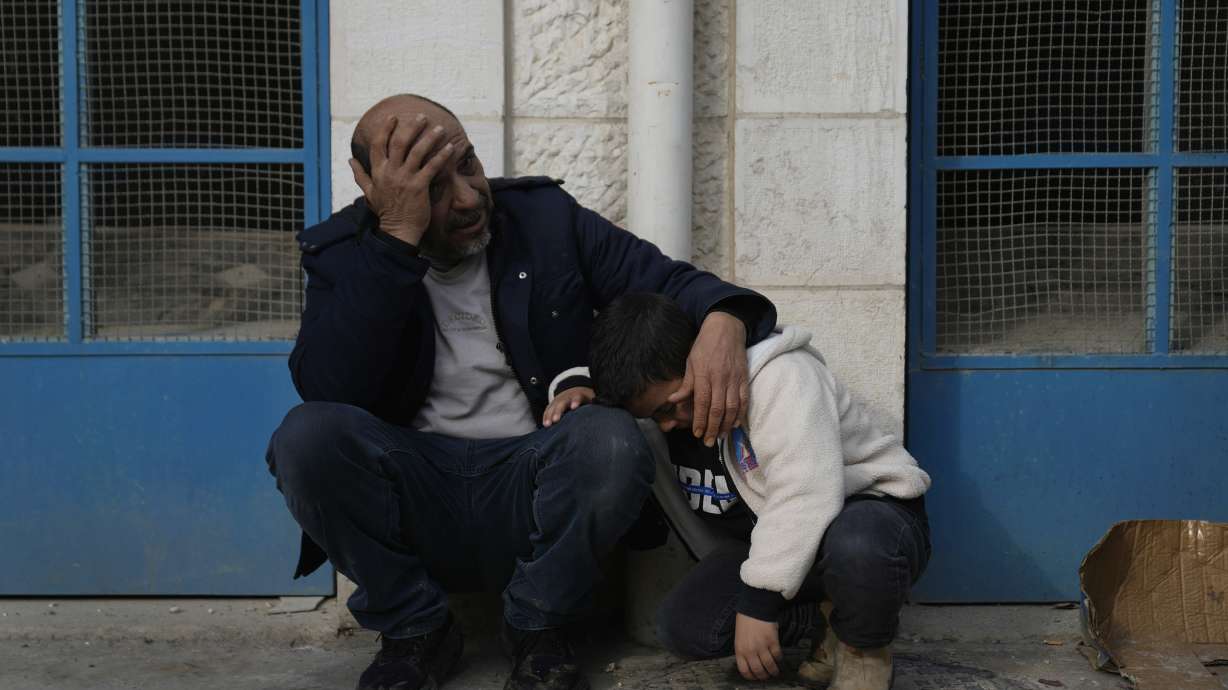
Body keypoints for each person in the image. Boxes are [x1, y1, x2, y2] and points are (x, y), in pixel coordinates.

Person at [264, 94, 777, 690]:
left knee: (609, 439)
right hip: (417, 488)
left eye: (468, 165)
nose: (467, 198)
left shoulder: (543, 219)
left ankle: (539, 627)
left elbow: (666, 281)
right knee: (305, 437)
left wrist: (724, 319)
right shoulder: (346, 251)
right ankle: (414, 631)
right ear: (373, 186)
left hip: (533, 479)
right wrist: (396, 239)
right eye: (432, 187)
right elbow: (328, 391)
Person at [585, 293, 931, 690]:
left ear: (697, 360)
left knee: (858, 546)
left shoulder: (781, 375)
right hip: (777, 541)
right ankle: (827, 620)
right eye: (653, 416)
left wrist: (758, 604)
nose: (666, 424)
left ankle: (862, 648)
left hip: (873, 518)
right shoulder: (663, 406)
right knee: (685, 626)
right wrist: (573, 386)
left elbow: (804, 493)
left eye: (669, 408)